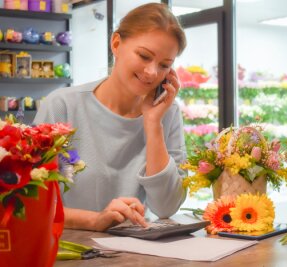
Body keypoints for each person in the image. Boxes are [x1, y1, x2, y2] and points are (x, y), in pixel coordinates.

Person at [33, 3, 187, 231]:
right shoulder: (62, 106)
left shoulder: (167, 113)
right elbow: (31, 202)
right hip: (67, 250)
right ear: (116, 44)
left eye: (165, 65)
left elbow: (166, 207)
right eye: (144, 56)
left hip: (136, 255)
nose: (152, 72)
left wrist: (153, 124)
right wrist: (95, 220)